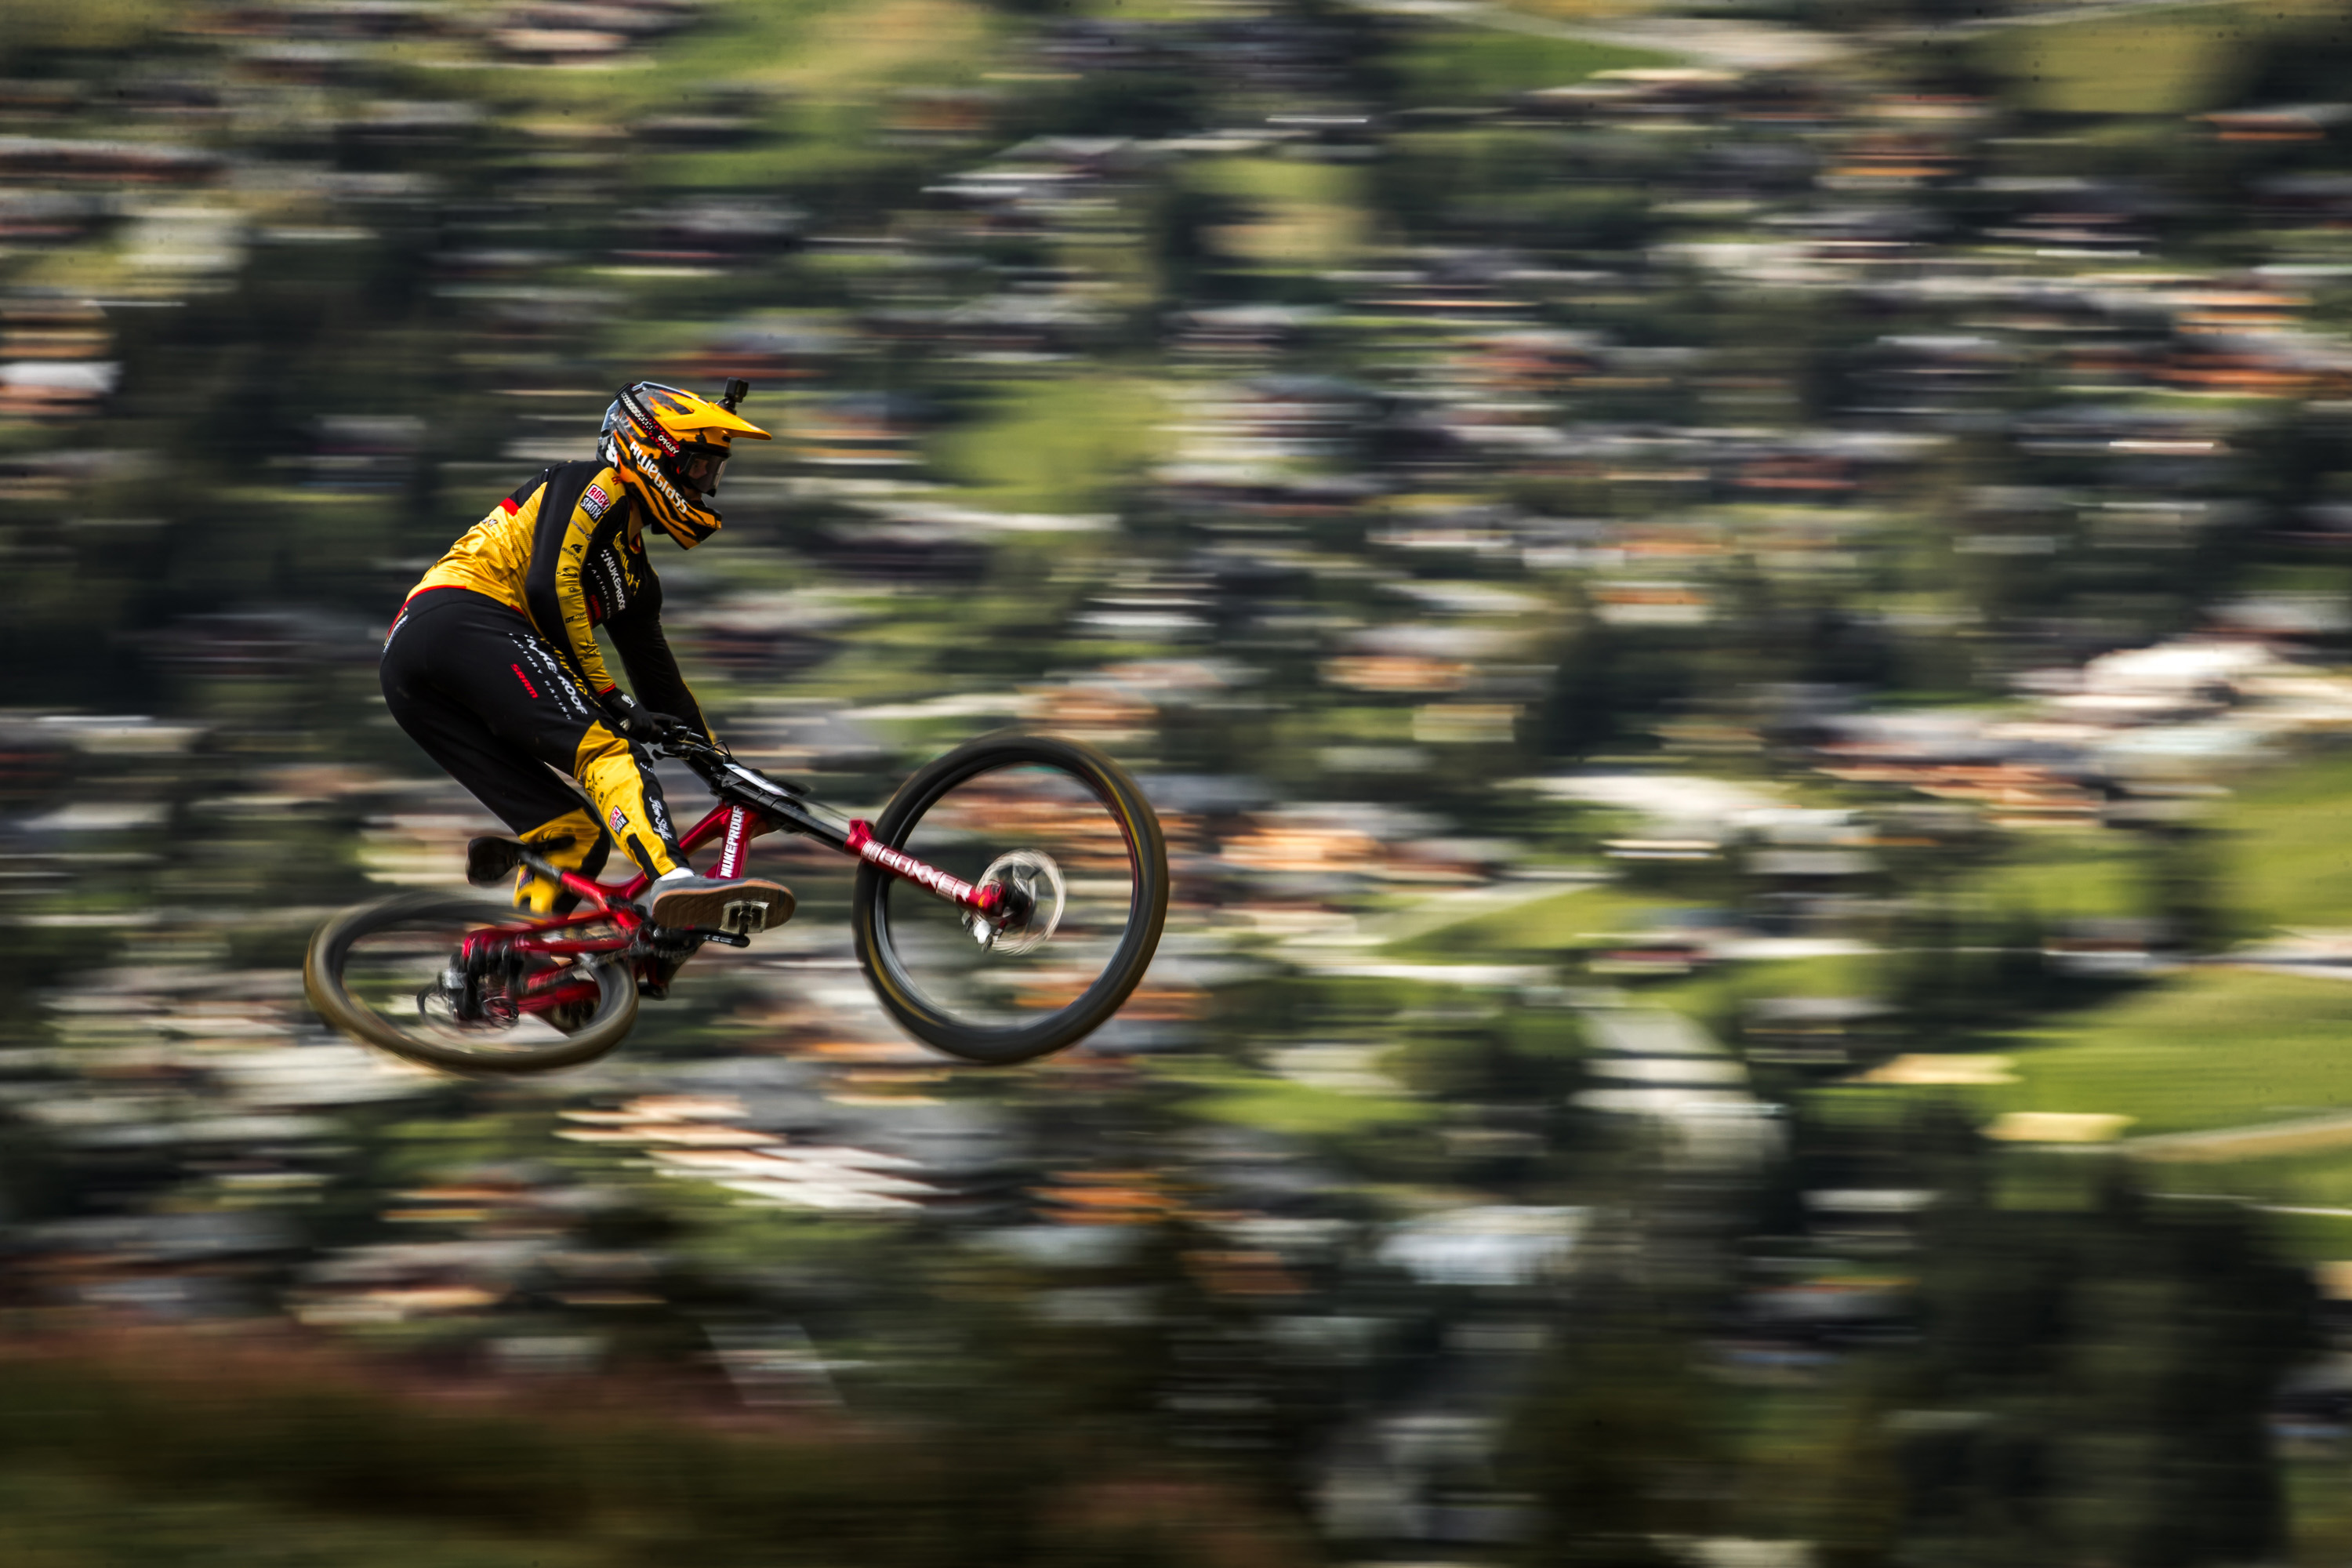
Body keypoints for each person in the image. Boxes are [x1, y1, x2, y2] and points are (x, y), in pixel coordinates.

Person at [379, 379, 793, 941]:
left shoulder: (636, 578)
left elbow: (664, 691)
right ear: (649, 451)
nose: (705, 484)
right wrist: (610, 698)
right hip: (462, 618)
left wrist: (727, 774)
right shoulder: (594, 485)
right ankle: (673, 879)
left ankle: (519, 962)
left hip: (415, 668)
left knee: (571, 834)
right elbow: (550, 586)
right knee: (609, 749)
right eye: (696, 467)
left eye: (711, 472)